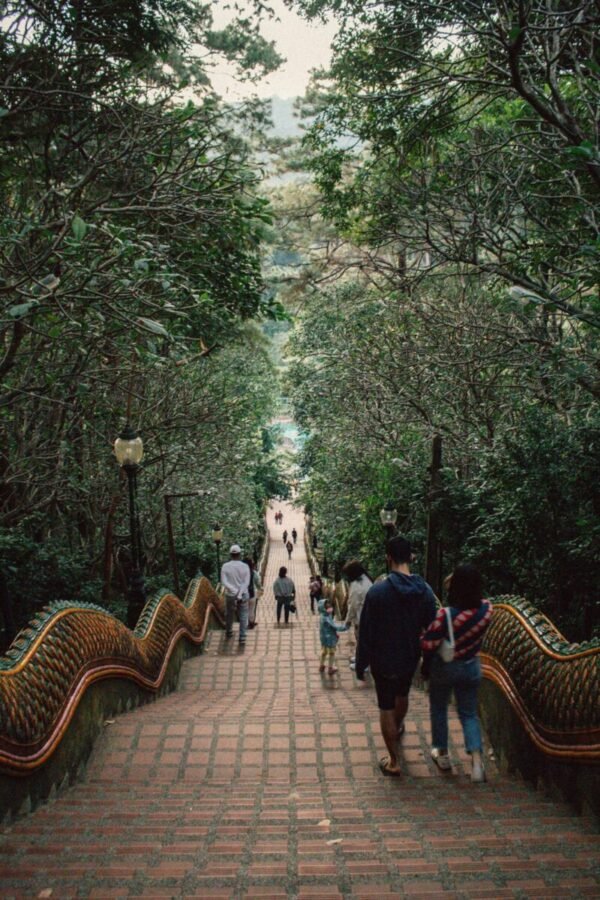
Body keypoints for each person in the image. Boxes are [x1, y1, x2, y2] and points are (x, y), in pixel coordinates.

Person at [356, 536, 436, 777]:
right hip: (409, 656)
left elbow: (366, 631)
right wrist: (427, 663)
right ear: (411, 557)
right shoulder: (425, 591)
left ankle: (393, 760)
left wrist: (361, 664)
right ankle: (398, 727)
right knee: (402, 693)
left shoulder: (378, 592)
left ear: (388, 558)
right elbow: (432, 630)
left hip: (383, 658)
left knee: (386, 705)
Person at [421, 564, 493, 783]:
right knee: (469, 713)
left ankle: (442, 753)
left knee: (439, 707)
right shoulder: (487, 609)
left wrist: (422, 638)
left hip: (446, 667)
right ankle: (477, 762)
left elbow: (429, 643)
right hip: (472, 665)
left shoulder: (446, 615)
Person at [342, 560, 373, 669]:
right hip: (369, 616)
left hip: (361, 618)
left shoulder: (356, 586)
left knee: (361, 640)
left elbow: (352, 606)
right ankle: (360, 658)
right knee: (364, 640)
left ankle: (364, 664)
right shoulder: (366, 579)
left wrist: (347, 621)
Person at [221, 544, 251, 645]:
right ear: (239, 554)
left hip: (230, 595)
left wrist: (233, 591)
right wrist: (239, 594)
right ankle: (242, 637)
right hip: (243, 594)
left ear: (230, 554)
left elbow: (224, 582)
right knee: (243, 615)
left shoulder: (225, 566)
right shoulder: (245, 566)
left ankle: (229, 631)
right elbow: (246, 582)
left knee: (229, 614)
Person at [318, 597, 349, 675]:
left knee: (324, 652)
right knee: (332, 653)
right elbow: (335, 626)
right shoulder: (327, 618)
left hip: (324, 638)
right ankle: (330, 668)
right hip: (329, 639)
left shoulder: (323, 616)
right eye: (327, 607)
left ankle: (321, 666)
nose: (330, 608)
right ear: (324, 608)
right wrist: (345, 627)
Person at [244, 557, 262, 630]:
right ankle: (251, 623)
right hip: (252, 593)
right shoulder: (253, 573)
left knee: (244, 609)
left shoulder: (241, 573)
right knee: (251, 609)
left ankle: (245, 624)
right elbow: (258, 583)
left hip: (243, 593)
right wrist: (260, 589)